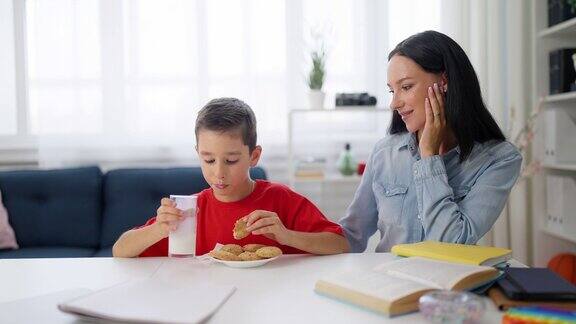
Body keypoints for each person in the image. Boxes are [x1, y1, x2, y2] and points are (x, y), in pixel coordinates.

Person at [339, 30, 522, 253]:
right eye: (391, 90)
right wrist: (292, 236)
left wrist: (429, 157)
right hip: (389, 284)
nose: (394, 103)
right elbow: (351, 235)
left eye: (405, 87)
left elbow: (451, 246)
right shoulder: (385, 153)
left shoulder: (499, 160)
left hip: (445, 285)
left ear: (443, 81)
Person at [113, 98, 349, 257]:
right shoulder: (191, 210)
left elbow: (340, 245)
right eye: (209, 160)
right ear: (198, 154)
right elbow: (119, 250)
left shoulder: (279, 199)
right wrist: (160, 229)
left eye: (231, 160)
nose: (219, 173)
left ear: (254, 156)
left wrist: (286, 236)